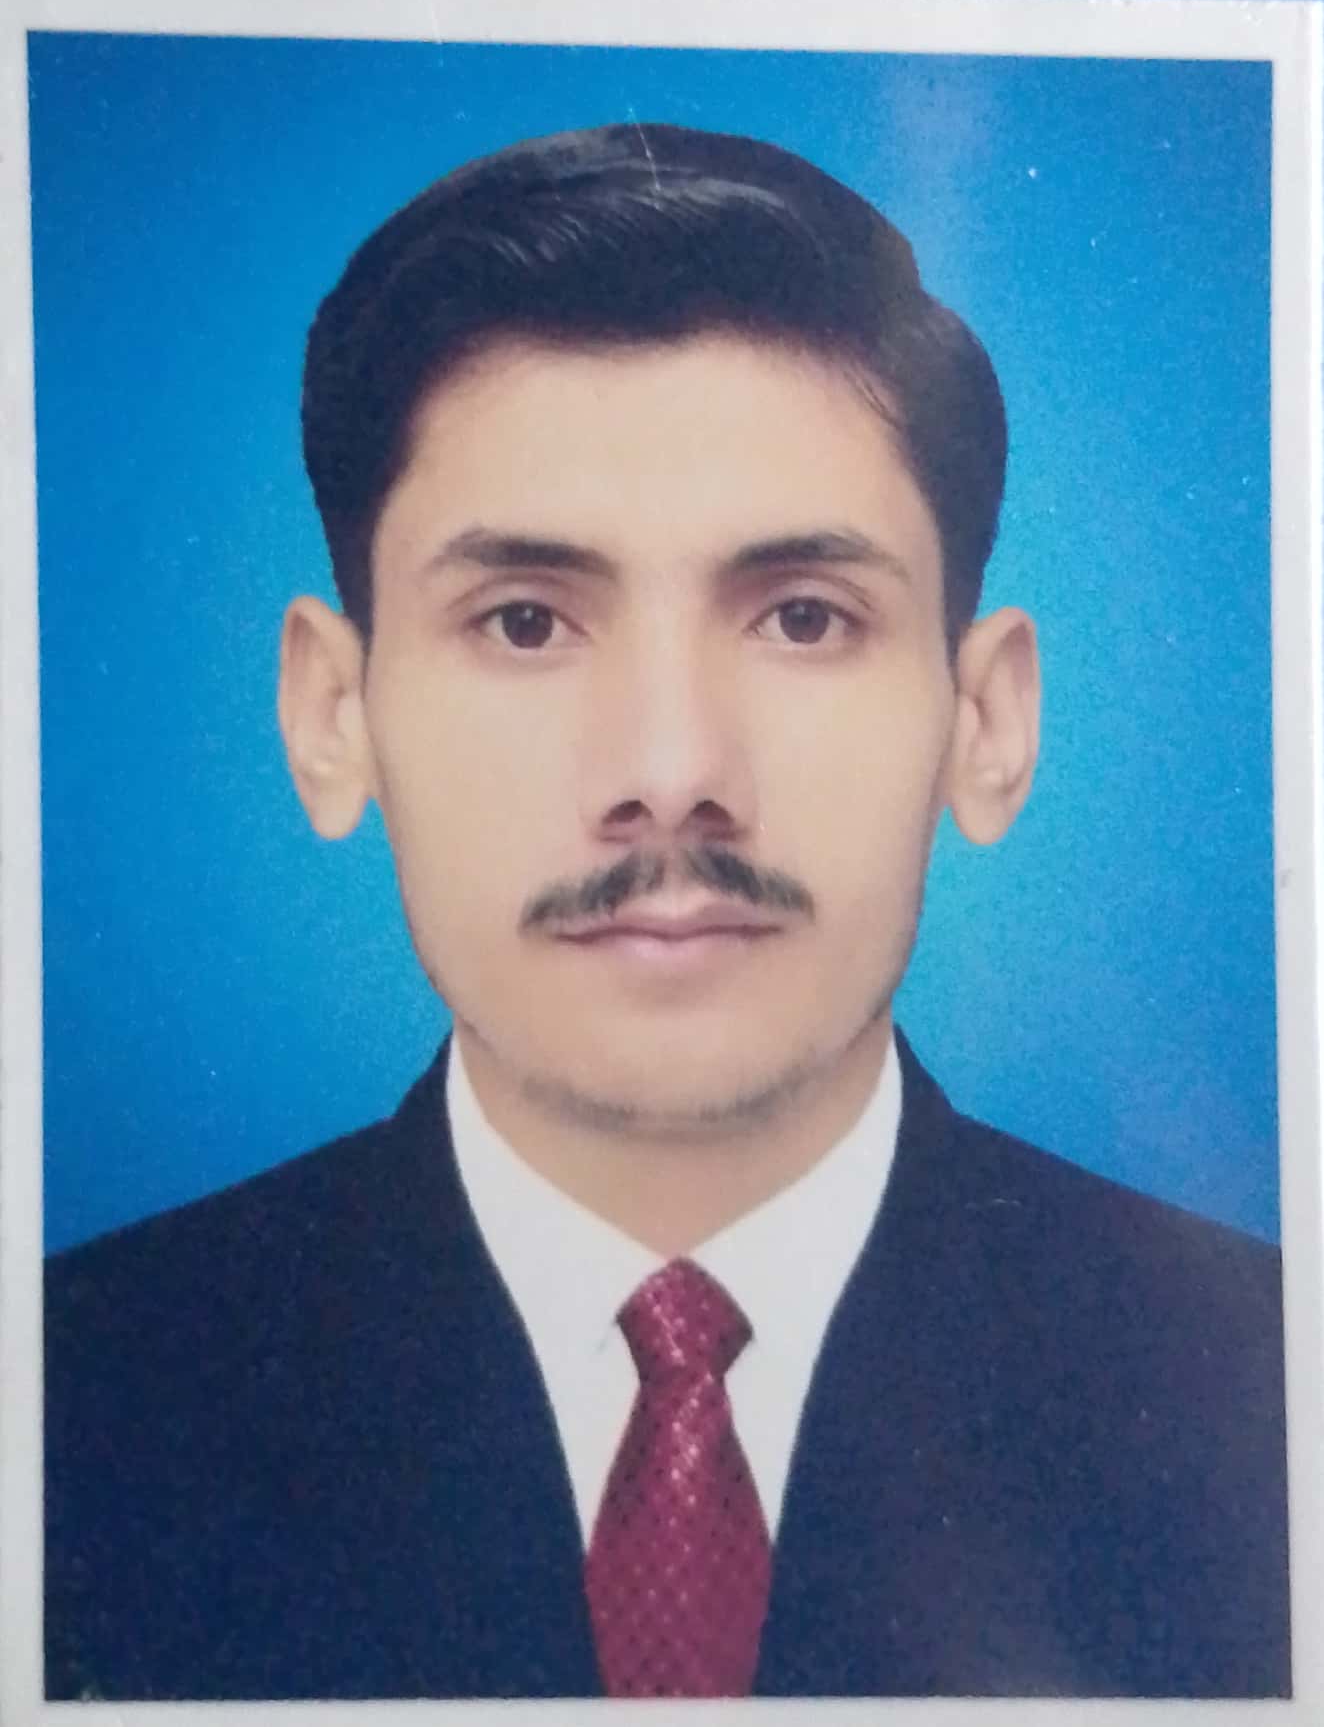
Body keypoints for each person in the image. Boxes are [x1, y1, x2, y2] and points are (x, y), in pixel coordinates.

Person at [44, 122, 1289, 1703]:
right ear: (330, 714)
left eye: (802, 617)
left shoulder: (1268, 1386)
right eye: (524, 621)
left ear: (988, 721)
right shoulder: (66, 1402)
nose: (672, 772)